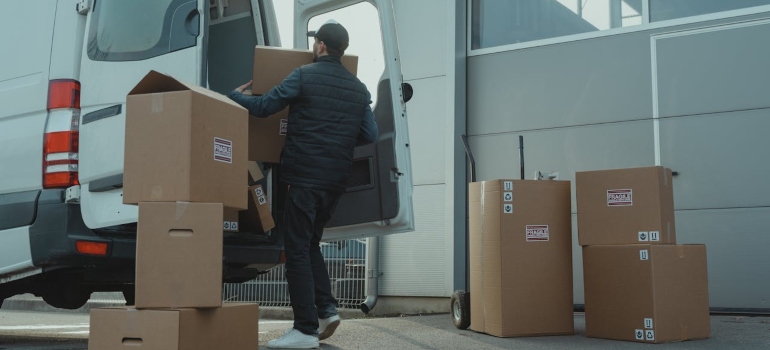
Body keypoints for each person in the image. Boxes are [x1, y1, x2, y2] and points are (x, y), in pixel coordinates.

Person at [227, 20, 378, 349]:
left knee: (295, 250)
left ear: (321, 45)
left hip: (303, 178)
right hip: (334, 183)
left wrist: (234, 97)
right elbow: (370, 135)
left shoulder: (304, 76)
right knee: (310, 245)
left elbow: (266, 107)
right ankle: (326, 310)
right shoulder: (358, 88)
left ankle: (305, 330)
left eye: (315, 42)